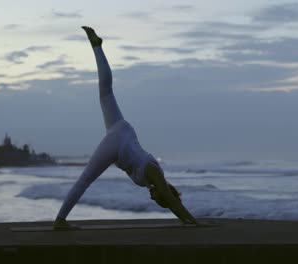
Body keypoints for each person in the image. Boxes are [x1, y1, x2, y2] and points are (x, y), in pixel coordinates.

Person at [53, 26, 198, 229]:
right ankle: (60, 220)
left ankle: (96, 46)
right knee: (85, 179)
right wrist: (192, 221)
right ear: (165, 191)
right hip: (118, 144)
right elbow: (173, 201)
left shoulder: (152, 180)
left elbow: (169, 198)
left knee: (105, 93)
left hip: (123, 133)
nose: (152, 197)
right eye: (156, 198)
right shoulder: (154, 173)